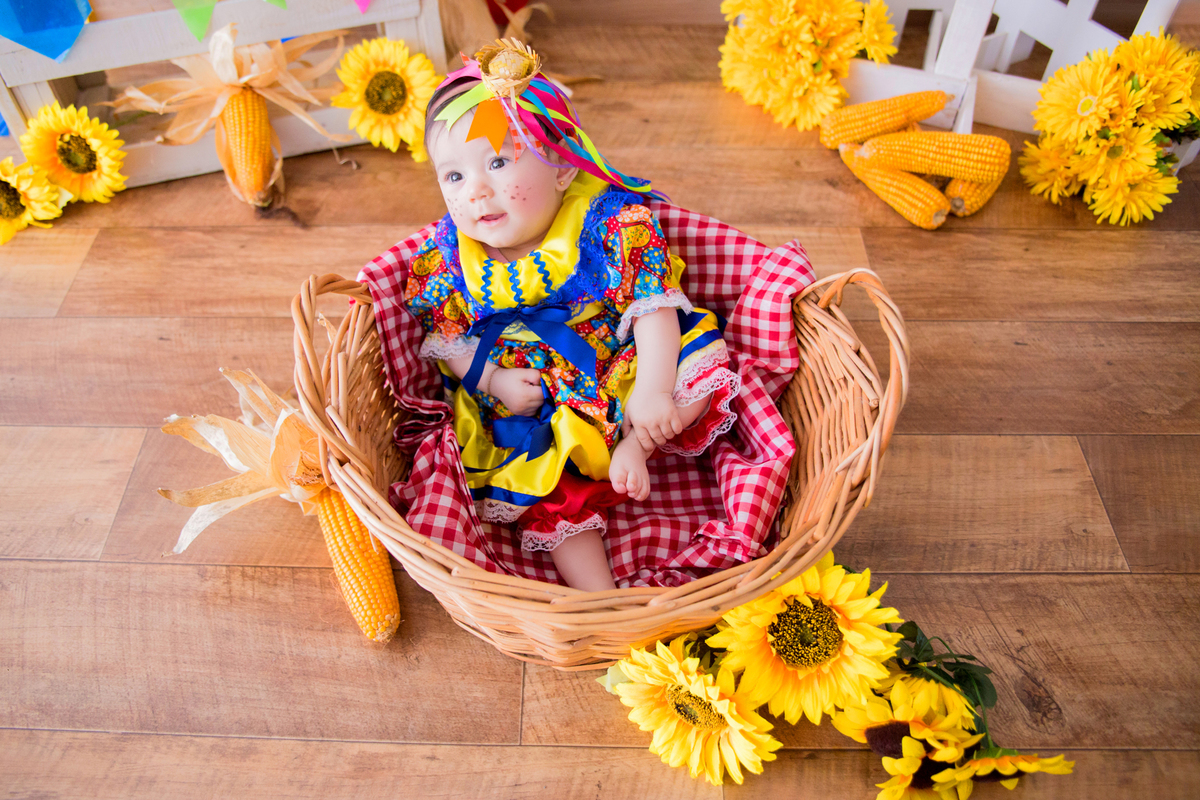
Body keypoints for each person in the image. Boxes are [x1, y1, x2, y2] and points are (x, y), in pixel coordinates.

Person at [400, 41, 740, 591]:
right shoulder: (448, 258)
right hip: (535, 395)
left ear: (560, 167)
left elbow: (651, 305)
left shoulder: (604, 221)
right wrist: (493, 379)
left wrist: (651, 388)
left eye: (497, 161)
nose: (476, 190)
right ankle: (597, 595)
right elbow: (449, 338)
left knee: (694, 361)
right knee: (543, 479)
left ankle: (641, 442)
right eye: (453, 176)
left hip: (616, 359)